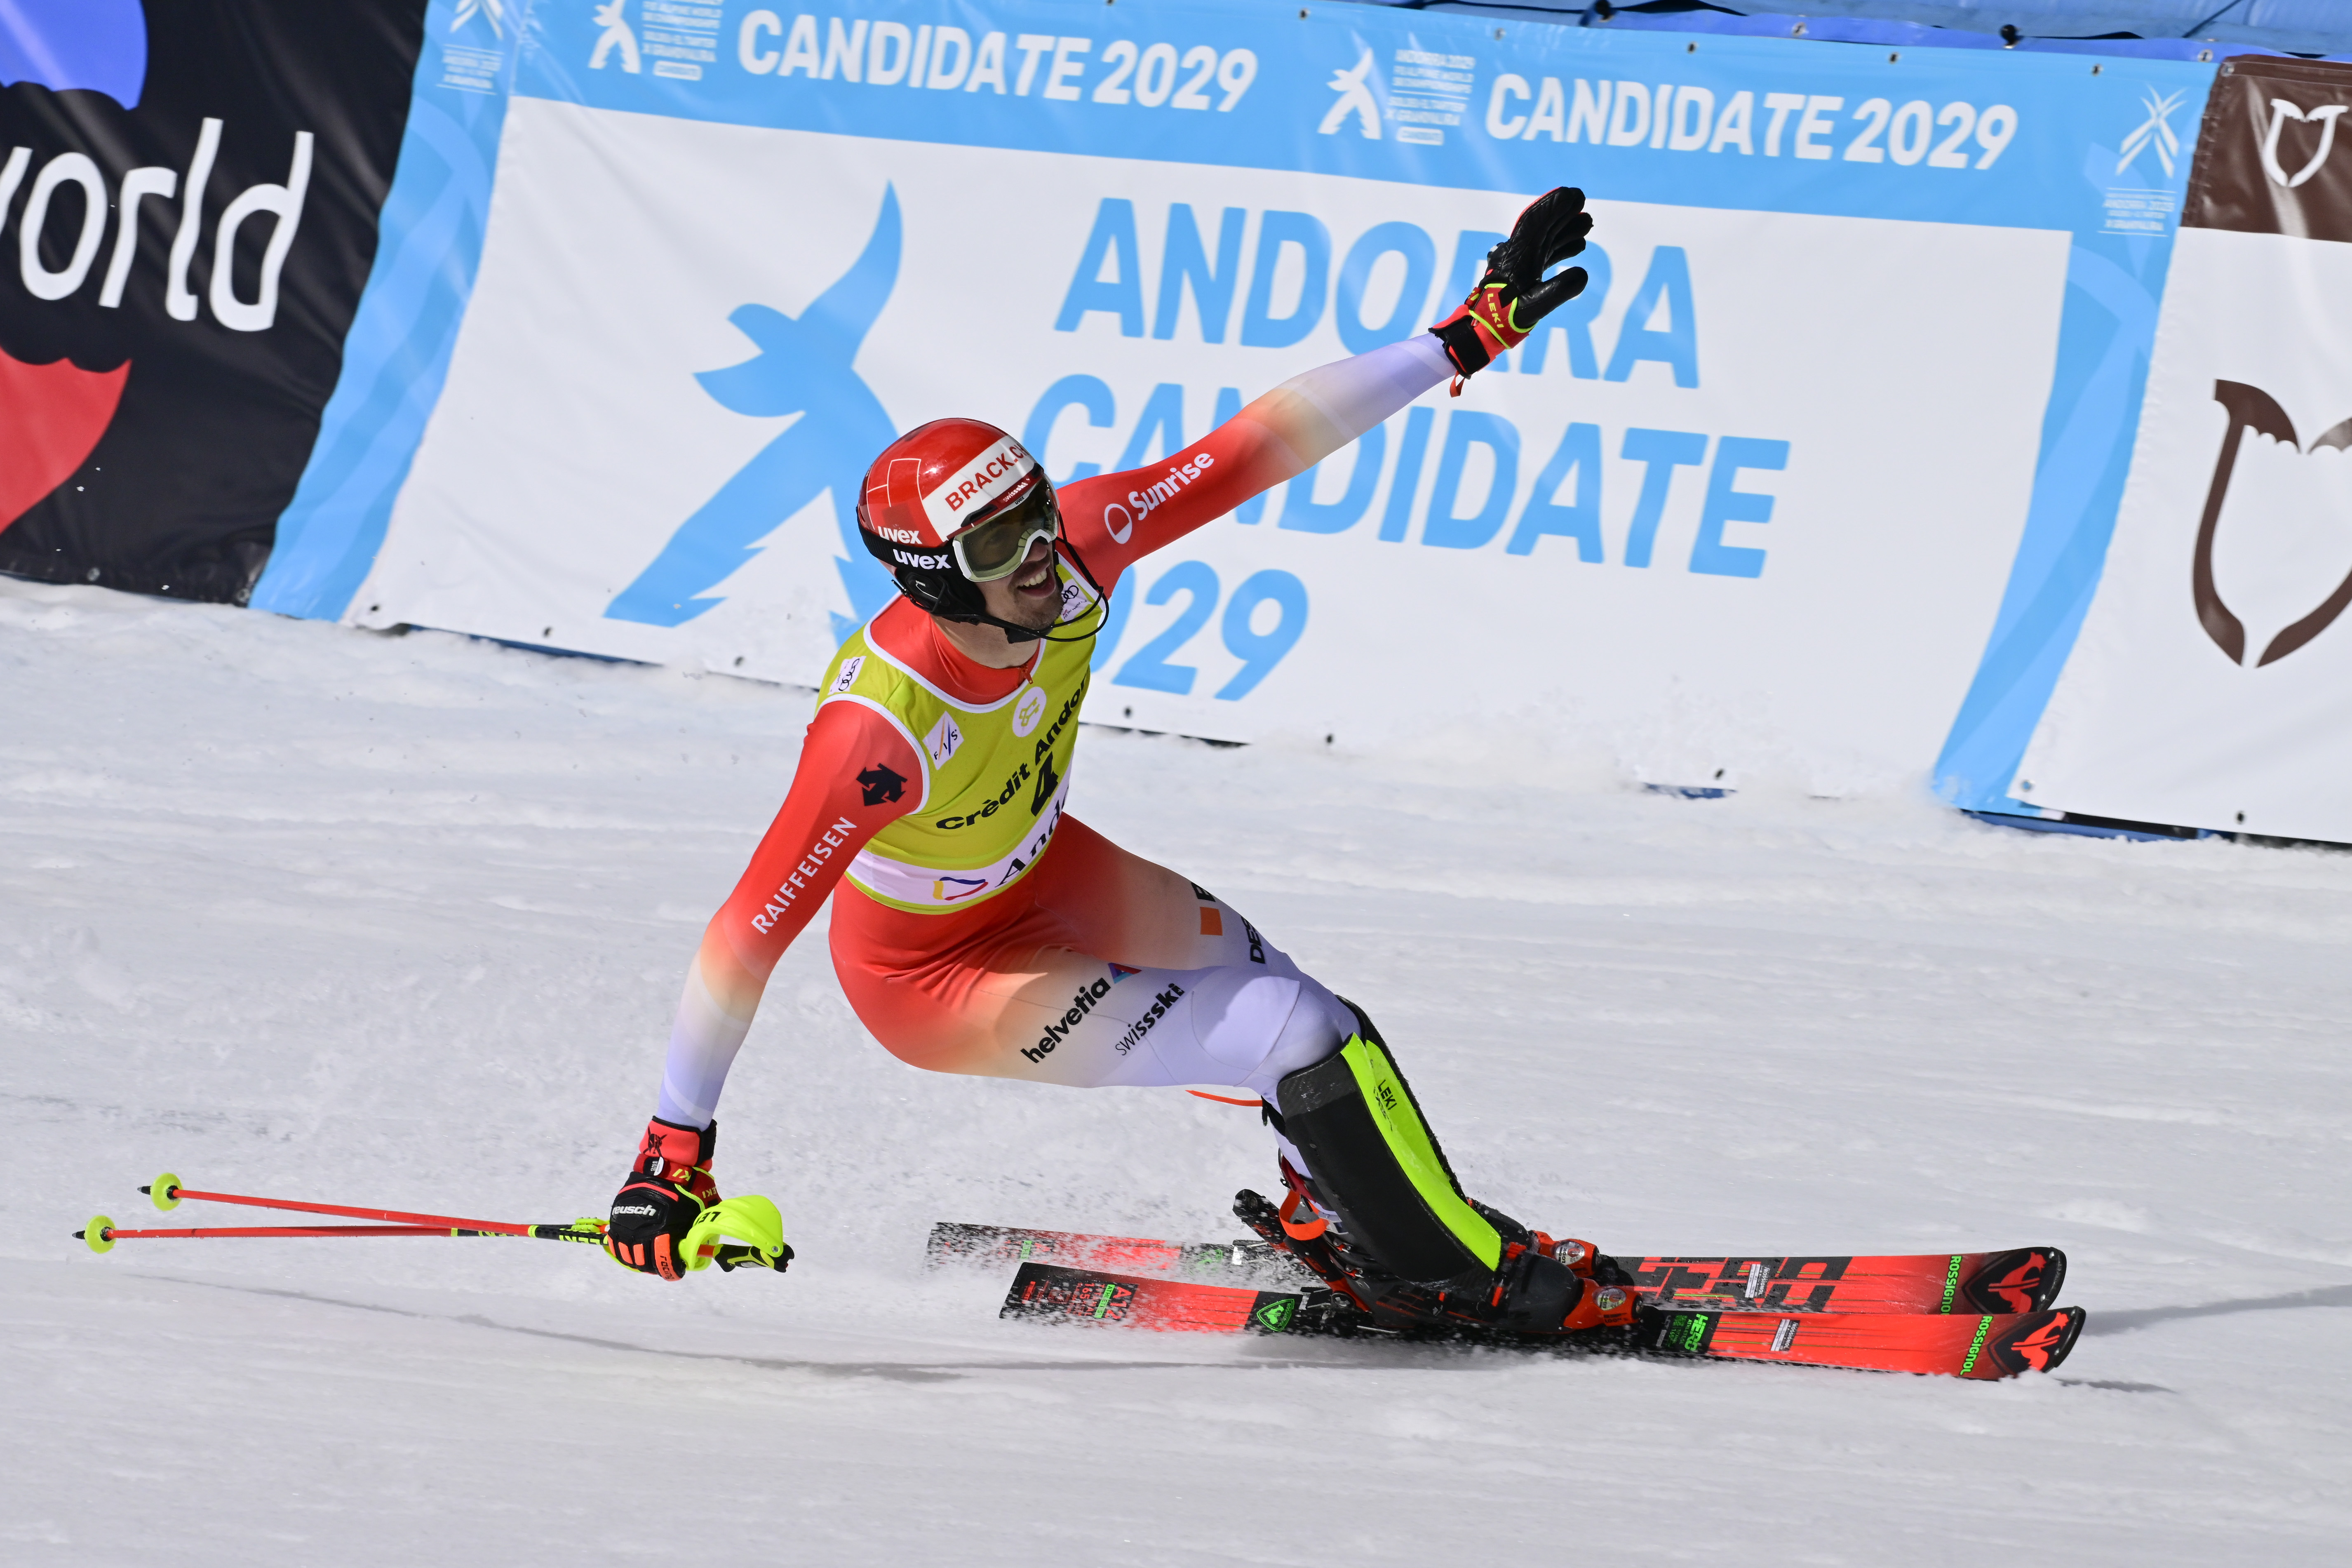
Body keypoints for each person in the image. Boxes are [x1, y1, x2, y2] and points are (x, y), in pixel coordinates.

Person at [605, 188, 1631, 1335]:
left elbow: (1250, 446)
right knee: (1293, 1028)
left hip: (1046, 870)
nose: (1044, 550)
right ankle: (1461, 1277)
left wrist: (1457, 339)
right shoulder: (877, 733)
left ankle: (1366, 1215)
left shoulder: (1083, 543)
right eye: (1000, 544)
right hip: (937, 979)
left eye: (1036, 509)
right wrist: (671, 1149)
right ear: (936, 576)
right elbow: (745, 931)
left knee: (1307, 1009)